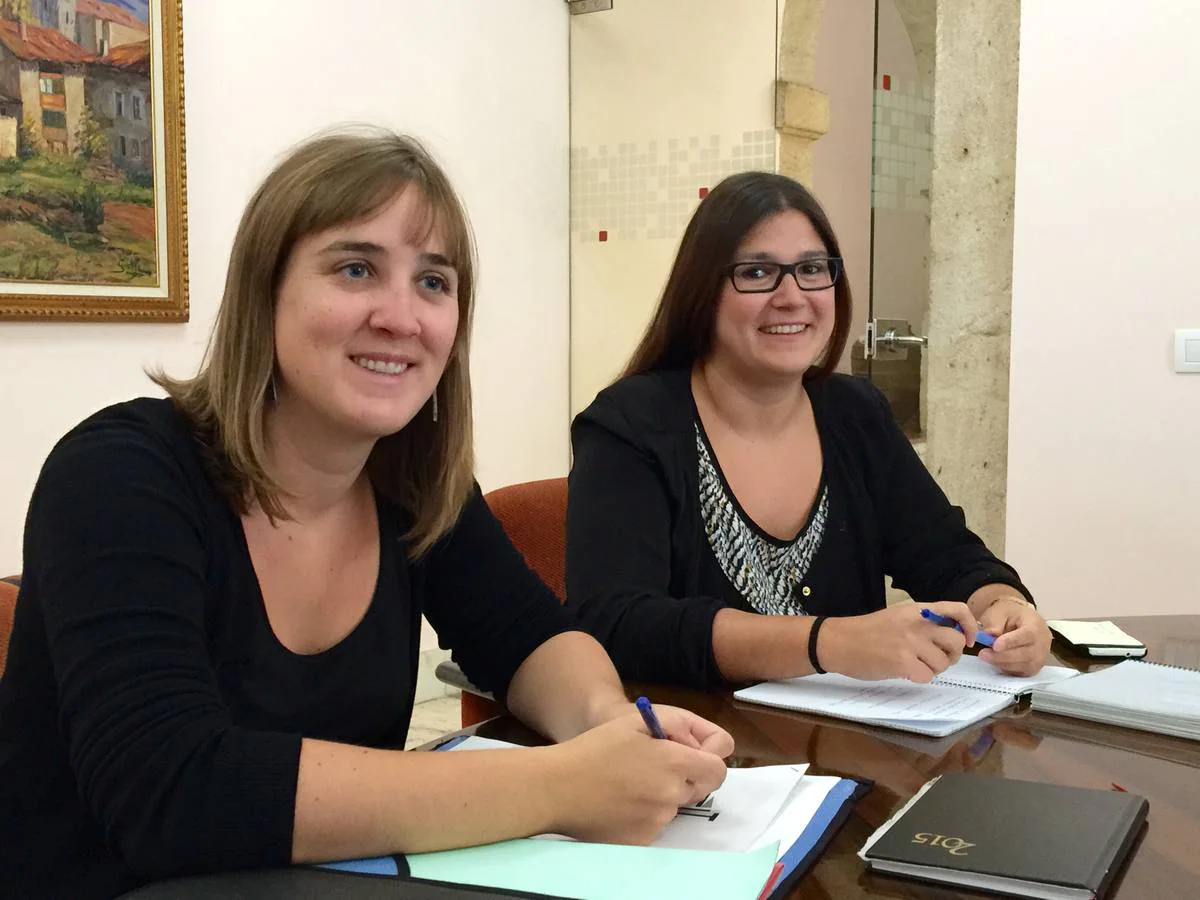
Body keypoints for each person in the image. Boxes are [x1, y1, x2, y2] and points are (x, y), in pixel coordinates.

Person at [0, 128, 732, 900]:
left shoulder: (411, 483)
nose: (401, 316)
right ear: (265, 291)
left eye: (434, 283)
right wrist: (563, 785)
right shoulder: (118, 474)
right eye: (356, 269)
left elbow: (529, 639)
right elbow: (170, 791)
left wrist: (609, 726)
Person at [565, 171, 1051, 691]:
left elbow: (946, 554)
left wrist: (1004, 605)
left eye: (812, 269)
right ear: (701, 291)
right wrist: (829, 643)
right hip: (693, 752)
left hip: (847, 752)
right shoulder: (631, 426)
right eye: (756, 273)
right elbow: (617, 624)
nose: (792, 296)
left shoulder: (855, 415)